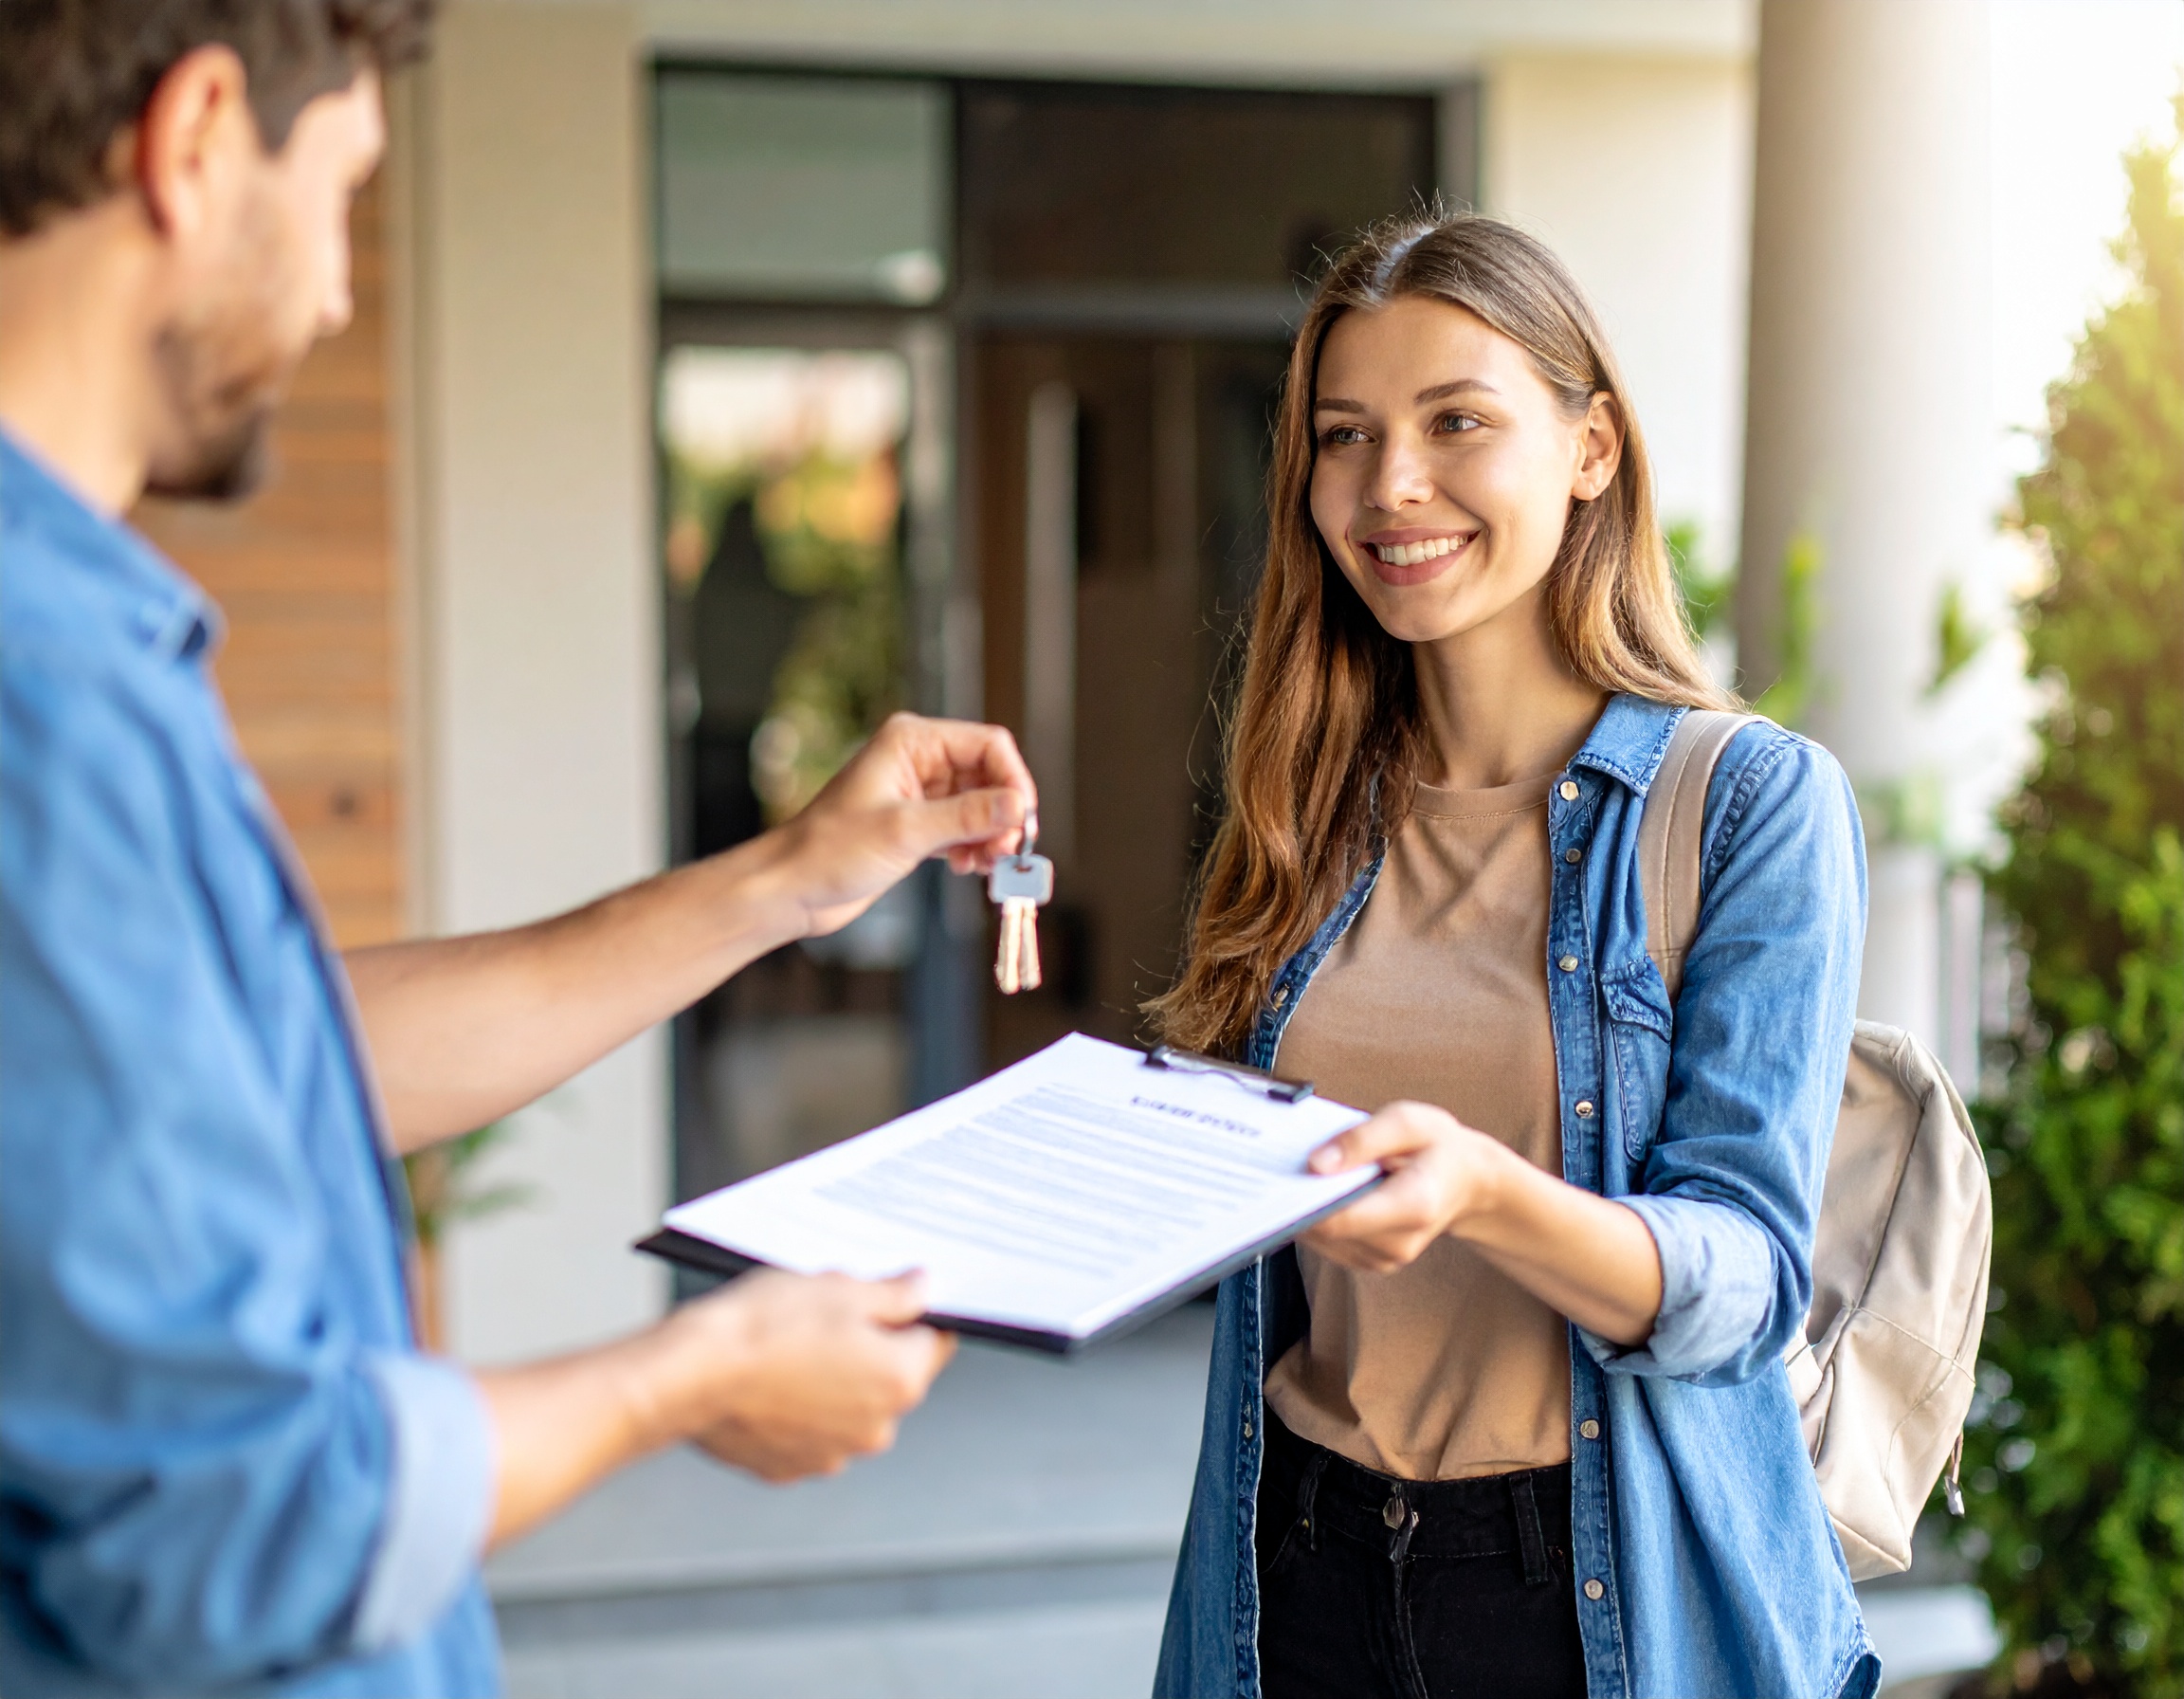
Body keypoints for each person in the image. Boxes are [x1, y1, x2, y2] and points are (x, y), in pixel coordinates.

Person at [0, 4, 1037, 1693]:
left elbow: (282, 1066)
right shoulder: (44, 697)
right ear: (193, 141)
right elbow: (226, 1525)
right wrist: (685, 1380)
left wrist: (789, 880)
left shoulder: (86, 648)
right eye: (339, 191)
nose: (340, 289)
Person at [1149, 212, 1881, 1699]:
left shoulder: (1746, 803)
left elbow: (1744, 1281)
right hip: (1297, 1557)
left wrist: (1486, 1193)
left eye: (1457, 422)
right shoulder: (1309, 800)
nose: (1390, 486)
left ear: (1591, 447)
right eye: (1343, 436)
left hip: (1589, 1596)